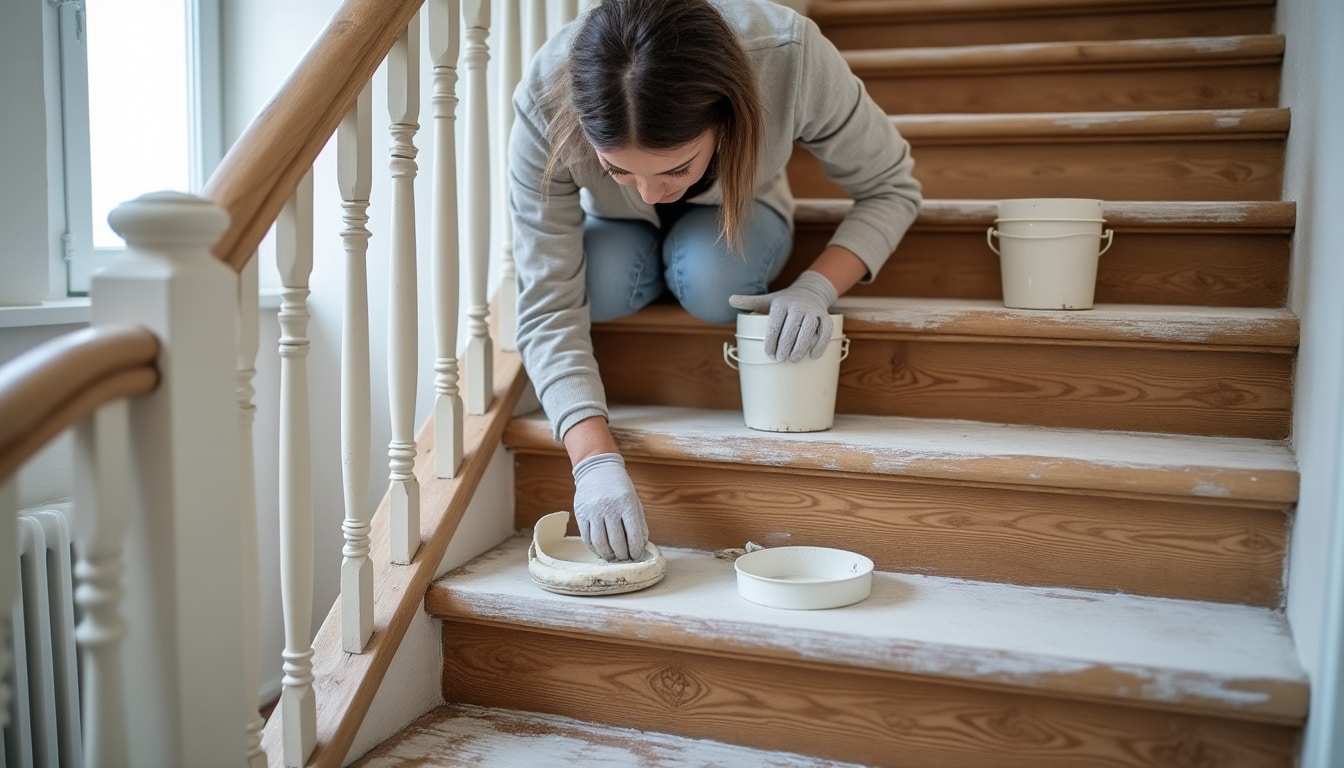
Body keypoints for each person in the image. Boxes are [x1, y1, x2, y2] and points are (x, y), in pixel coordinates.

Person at [509, 0, 922, 561]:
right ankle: (647, 240)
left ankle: (681, 252)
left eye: (676, 168)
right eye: (618, 169)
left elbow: (892, 187)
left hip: (741, 214)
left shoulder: (791, 56)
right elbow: (548, 302)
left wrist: (817, 287)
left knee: (711, 281)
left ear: (726, 118)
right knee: (598, 287)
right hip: (617, 233)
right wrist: (593, 459)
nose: (652, 192)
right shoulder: (543, 99)